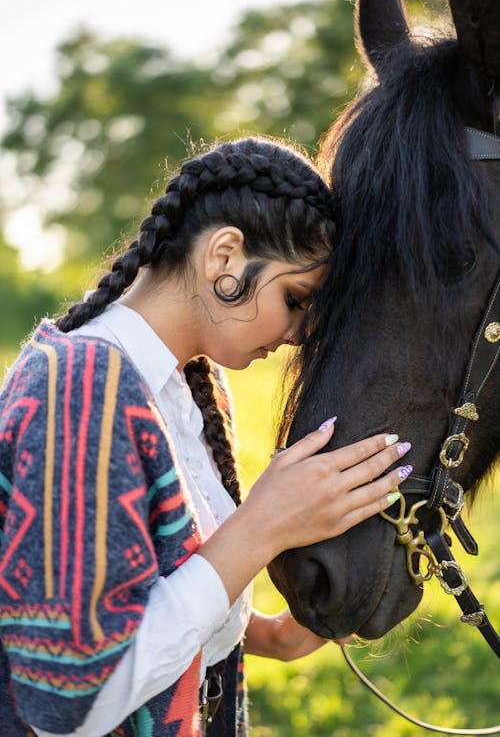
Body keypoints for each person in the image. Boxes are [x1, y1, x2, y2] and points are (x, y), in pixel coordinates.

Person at [0, 137, 411, 737]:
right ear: (224, 255)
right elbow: (69, 705)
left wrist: (272, 635)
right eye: (295, 300)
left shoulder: (194, 384)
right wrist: (264, 525)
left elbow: (156, 594)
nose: (300, 334)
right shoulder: (81, 386)